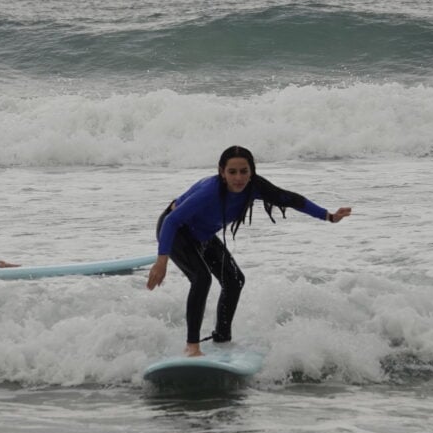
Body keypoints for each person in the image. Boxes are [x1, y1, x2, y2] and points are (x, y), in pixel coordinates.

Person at [146, 145, 351, 357]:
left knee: (234, 280)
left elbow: (291, 199)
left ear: (251, 171)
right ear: (222, 172)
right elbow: (172, 220)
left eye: (244, 171)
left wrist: (329, 216)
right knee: (202, 278)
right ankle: (192, 346)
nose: (238, 178)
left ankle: (222, 338)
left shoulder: (255, 187)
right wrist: (162, 261)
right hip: (176, 231)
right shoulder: (210, 190)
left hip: (203, 235)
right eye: (232, 172)